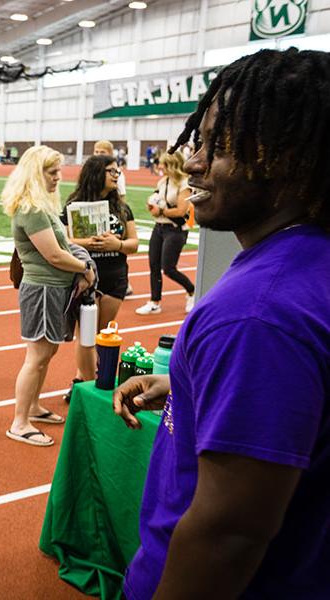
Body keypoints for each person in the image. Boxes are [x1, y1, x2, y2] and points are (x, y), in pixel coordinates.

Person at [113, 48, 330, 599]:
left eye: (217, 145)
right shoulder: (307, 268)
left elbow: (229, 534)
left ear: (287, 159)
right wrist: (186, 386)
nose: (192, 162)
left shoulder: (257, 312)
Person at [3, 146, 96, 447]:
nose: (59, 176)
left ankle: (32, 407)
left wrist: (81, 265)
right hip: (42, 290)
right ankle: (19, 422)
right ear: (35, 173)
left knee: (47, 353)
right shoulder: (31, 210)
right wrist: (85, 267)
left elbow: (64, 248)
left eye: (58, 170)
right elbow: (55, 255)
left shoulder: (41, 207)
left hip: (53, 290)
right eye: (51, 171)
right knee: (37, 356)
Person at [62, 155, 138, 401]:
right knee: (86, 333)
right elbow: (64, 241)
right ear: (96, 173)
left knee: (102, 334)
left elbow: (134, 244)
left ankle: (93, 380)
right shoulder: (74, 204)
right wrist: (91, 243)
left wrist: (116, 244)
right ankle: (84, 382)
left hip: (115, 276)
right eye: (111, 171)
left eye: (118, 171)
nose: (117, 176)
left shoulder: (122, 208)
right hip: (84, 275)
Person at [135, 150, 196, 315]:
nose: (160, 166)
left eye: (164, 164)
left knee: (168, 268)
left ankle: (192, 290)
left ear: (173, 165)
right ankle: (155, 301)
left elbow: (181, 211)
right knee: (153, 265)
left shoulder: (184, 184)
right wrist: (152, 207)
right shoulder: (163, 181)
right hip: (159, 228)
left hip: (175, 230)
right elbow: (155, 200)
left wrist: (160, 210)